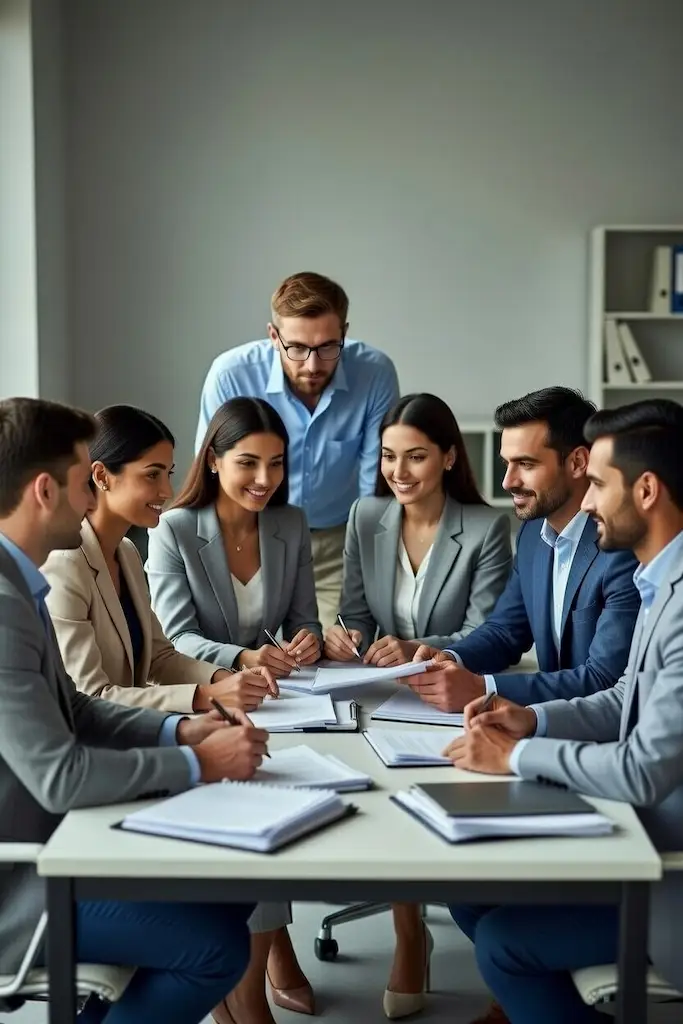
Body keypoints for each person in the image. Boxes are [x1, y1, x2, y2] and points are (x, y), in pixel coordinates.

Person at [0, 396, 269, 1024]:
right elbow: (60, 774)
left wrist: (181, 728)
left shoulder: (22, 583)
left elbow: (79, 711)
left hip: (65, 844)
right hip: (23, 883)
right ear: (46, 490)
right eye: (80, 480)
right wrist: (200, 763)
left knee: (231, 898)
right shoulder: (7, 602)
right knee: (214, 945)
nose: (91, 495)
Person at [443, 398, 683, 1024]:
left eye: (600, 485)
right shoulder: (660, 577)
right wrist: (532, 720)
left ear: (648, 490)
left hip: (662, 865)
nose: (592, 503)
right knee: (466, 888)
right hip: (635, 825)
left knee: (502, 942)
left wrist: (517, 754)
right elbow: (622, 694)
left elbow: (642, 772)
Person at [325, 392, 512, 1019]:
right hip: (378, 694)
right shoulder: (365, 515)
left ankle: (478, 932)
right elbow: (354, 613)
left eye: (416, 457)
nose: (398, 473)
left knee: (429, 792)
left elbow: (491, 633)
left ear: (449, 457)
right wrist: (350, 638)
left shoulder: (485, 527)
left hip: (447, 695)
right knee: (373, 790)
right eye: (387, 458)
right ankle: (410, 931)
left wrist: (423, 649)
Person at [147, 397, 321, 1022]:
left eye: (276, 464)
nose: (263, 480)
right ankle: (260, 987)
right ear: (215, 461)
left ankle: (271, 957)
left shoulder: (289, 523)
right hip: (206, 697)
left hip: (281, 701)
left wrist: (307, 642)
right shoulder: (175, 528)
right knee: (260, 806)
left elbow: (304, 623)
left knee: (291, 796)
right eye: (248, 463)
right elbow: (176, 637)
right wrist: (244, 658)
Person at [409, 387, 641, 714]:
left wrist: (484, 688)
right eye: (506, 463)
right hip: (544, 724)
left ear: (577, 462)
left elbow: (605, 679)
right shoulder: (532, 534)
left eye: (525, 464)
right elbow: (506, 630)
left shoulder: (622, 549)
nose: (508, 481)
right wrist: (449, 659)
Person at [195, 271, 399, 631]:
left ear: (345, 334)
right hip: (249, 535)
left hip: (338, 541)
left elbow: (376, 485)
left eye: (327, 347)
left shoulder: (375, 373)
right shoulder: (230, 375)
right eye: (297, 348)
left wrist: (369, 571)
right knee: (247, 648)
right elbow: (210, 473)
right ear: (274, 336)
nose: (313, 365)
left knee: (336, 651)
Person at [43, 405, 275, 716]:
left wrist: (228, 680)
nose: (167, 490)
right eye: (152, 474)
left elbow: (159, 658)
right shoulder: (65, 563)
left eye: (168, 474)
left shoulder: (125, 551)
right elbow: (91, 696)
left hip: (133, 731)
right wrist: (206, 696)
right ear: (101, 476)